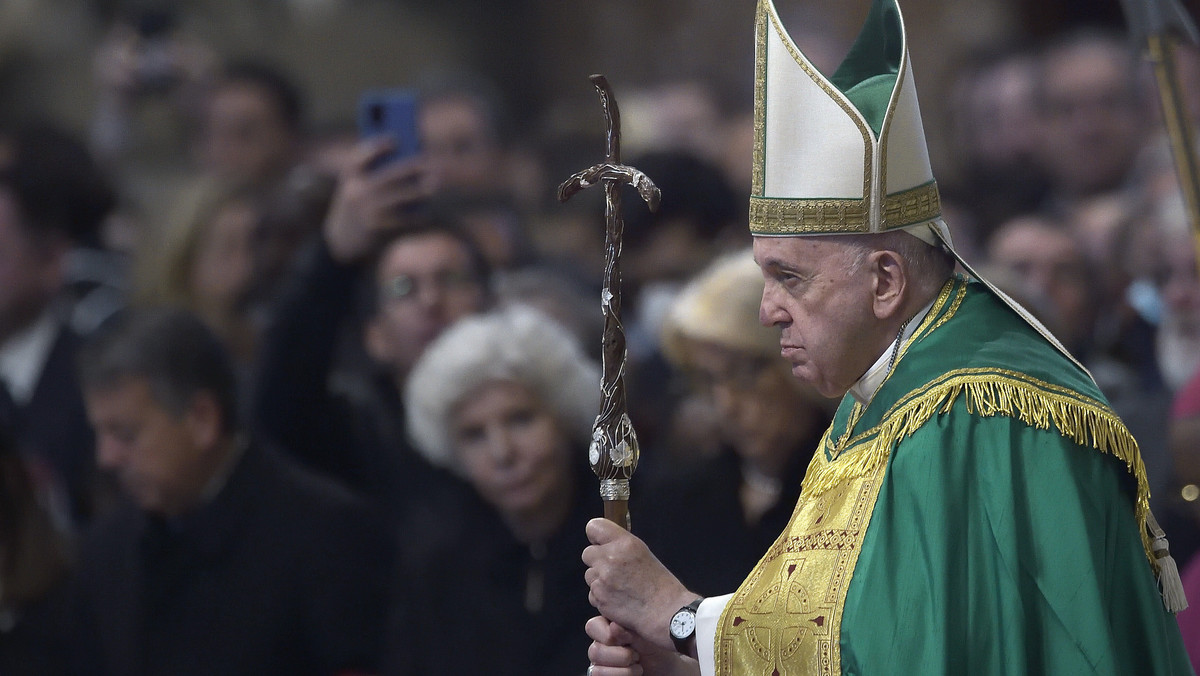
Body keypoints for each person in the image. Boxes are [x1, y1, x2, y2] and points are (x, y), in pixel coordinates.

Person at [581, 1, 1193, 674]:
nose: (768, 312)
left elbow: (918, 646)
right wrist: (689, 664)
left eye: (789, 278)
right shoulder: (884, 393)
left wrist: (683, 619)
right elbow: (847, 613)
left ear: (885, 281)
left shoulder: (978, 413)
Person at [68, 307, 394, 676]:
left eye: (125, 435)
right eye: (100, 434)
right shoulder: (106, 552)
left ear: (202, 419)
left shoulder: (330, 536)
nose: (106, 458)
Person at [252, 139, 490, 519]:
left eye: (450, 279)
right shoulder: (356, 432)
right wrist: (332, 255)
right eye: (403, 288)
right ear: (375, 336)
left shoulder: (531, 413)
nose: (431, 301)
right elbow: (283, 393)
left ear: (486, 305)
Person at [384, 303, 601, 675]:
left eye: (520, 419)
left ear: (564, 416)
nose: (502, 453)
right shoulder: (436, 566)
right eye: (473, 435)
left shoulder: (640, 529)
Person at [634, 249, 832, 597]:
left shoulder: (849, 489)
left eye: (746, 372)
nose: (725, 404)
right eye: (709, 380)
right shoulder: (681, 498)